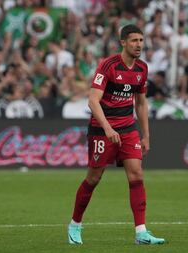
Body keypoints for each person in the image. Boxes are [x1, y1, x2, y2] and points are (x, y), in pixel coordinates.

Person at [67, 24, 165, 245]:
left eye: (141, 40)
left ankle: (141, 233)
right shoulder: (108, 65)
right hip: (102, 130)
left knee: (136, 175)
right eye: (134, 40)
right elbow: (93, 101)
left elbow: (140, 104)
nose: (139, 44)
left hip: (128, 129)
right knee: (93, 178)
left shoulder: (142, 69)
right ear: (123, 42)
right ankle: (75, 225)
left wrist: (146, 135)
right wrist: (108, 129)